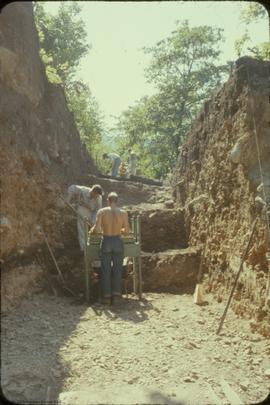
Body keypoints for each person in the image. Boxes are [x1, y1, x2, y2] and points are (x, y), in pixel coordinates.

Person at [90, 192, 130, 305]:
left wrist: (95, 229)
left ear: (108, 200)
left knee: (106, 271)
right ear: (117, 201)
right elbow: (127, 232)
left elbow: (97, 230)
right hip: (118, 242)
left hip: (106, 241)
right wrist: (120, 230)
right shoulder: (123, 213)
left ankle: (106, 298)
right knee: (118, 270)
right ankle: (117, 297)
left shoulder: (102, 212)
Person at [66, 184, 103, 251]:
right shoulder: (83, 190)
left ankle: (96, 245)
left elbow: (98, 211)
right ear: (93, 192)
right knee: (81, 227)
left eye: (98, 196)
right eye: (96, 195)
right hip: (83, 208)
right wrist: (68, 199)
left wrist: (94, 223)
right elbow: (71, 187)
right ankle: (84, 248)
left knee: (96, 226)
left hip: (92, 212)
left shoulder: (99, 198)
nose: (97, 197)